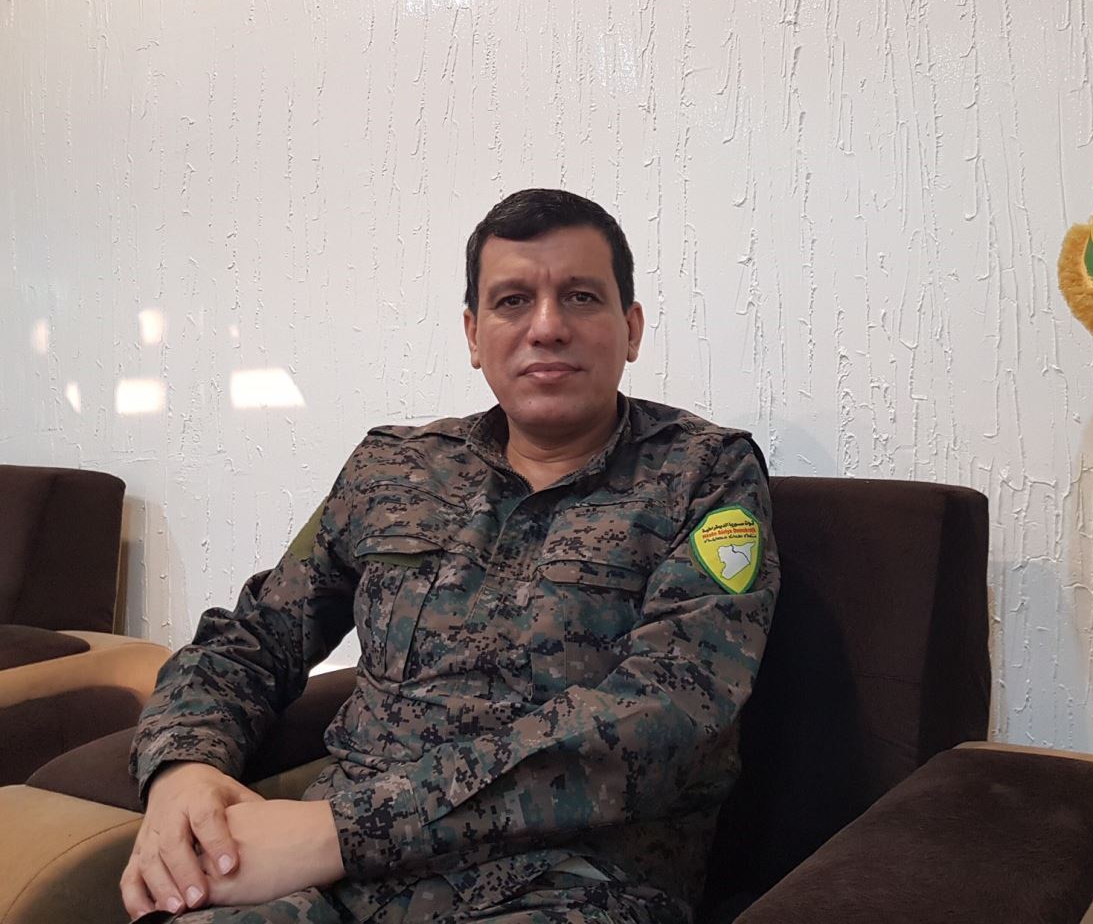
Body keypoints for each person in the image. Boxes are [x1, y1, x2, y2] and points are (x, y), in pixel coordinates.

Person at [121, 189, 780, 924]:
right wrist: (183, 766)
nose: (547, 326)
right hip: (327, 888)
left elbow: (667, 715)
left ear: (631, 329)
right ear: (473, 334)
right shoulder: (393, 468)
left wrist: (340, 831)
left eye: (581, 296)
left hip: (567, 883)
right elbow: (255, 637)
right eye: (512, 301)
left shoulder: (704, 474)